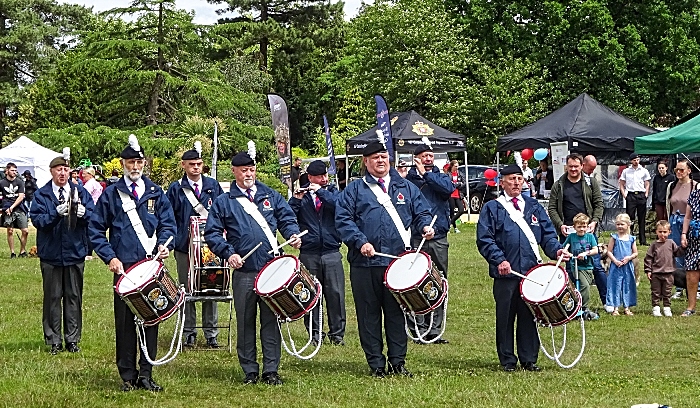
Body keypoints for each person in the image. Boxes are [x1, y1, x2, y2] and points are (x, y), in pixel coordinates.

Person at [336, 140, 434, 378]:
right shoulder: (354, 190)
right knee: (368, 315)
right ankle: (376, 364)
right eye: (374, 157)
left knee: (396, 314)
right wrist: (361, 242)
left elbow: (422, 212)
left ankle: (398, 362)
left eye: (383, 156)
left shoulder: (406, 187)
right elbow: (343, 220)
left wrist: (424, 227)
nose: (380, 161)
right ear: (365, 162)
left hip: (397, 264)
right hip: (365, 264)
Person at [204, 147, 302, 386]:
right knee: (245, 322)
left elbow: (286, 217)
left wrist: (293, 234)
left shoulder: (270, 194)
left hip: (271, 269)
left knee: (271, 320)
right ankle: (249, 370)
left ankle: (271, 369)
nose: (249, 174)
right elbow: (213, 233)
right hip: (245, 271)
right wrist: (229, 254)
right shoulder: (224, 201)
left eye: (252, 169)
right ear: (234, 171)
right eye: (244, 170)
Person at [88, 135, 176, 392]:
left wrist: (165, 245)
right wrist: (110, 256)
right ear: (123, 163)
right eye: (130, 162)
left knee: (151, 318)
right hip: (124, 268)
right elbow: (95, 229)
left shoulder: (155, 192)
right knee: (125, 322)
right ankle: (127, 375)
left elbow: (168, 224)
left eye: (139, 162)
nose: (135, 166)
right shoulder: (112, 194)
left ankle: (146, 374)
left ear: (144, 163)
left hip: (151, 266)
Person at [477, 164, 567, 372]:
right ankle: (507, 359)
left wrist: (556, 251)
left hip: (530, 273)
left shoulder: (533, 205)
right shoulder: (493, 208)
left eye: (519, 178)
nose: (516, 182)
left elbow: (547, 235)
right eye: (511, 179)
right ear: (502, 182)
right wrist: (499, 259)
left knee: (529, 316)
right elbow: (485, 238)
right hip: (506, 274)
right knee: (506, 317)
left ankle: (529, 359)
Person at [31, 152, 94, 355]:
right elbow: (38, 221)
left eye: (66, 169)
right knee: (52, 297)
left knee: (74, 296)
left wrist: (85, 214)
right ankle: (53, 340)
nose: (63, 173)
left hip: (74, 251)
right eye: (59, 169)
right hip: (51, 253)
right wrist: (54, 214)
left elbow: (94, 216)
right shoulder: (42, 194)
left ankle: (73, 339)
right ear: (52, 171)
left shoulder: (80, 191)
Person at [166, 143, 225, 349]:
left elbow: (220, 212)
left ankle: (211, 333)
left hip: (210, 246)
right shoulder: (176, 188)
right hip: (184, 246)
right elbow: (169, 217)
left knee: (212, 287)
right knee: (186, 288)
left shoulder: (212, 185)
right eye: (192, 164)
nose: (196, 168)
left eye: (199, 164)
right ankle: (188, 332)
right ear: (184, 165)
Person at [289, 160, 346, 346]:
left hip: (331, 250)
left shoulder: (332, 192)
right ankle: (315, 334)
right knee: (311, 294)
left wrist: (320, 191)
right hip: (309, 251)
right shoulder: (302, 195)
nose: (323, 179)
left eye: (325, 176)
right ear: (310, 177)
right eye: (319, 177)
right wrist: (296, 200)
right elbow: (288, 216)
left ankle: (337, 334)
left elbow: (339, 206)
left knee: (336, 293)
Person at [406, 144, 455, 344]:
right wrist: (417, 175)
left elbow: (447, 190)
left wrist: (426, 175)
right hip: (416, 237)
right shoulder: (407, 180)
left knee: (438, 281)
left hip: (438, 238)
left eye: (430, 155)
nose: (428, 159)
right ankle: (418, 328)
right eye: (424, 156)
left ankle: (435, 330)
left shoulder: (441, 176)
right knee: (415, 283)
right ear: (415, 158)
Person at [666, 159, 699, 298]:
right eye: (676, 170)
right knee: (676, 252)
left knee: (693, 255)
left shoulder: (696, 186)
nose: (679, 172)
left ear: (689, 171)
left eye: (682, 170)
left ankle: (695, 287)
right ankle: (679, 287)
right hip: (674, 221)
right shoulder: (671, 186)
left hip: (691, 223)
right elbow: (669, 205)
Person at [579, 154, 609, 306]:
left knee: (597, 265)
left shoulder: (591, 181)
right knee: (573, 267)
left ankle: (607, 301)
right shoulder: (562, 183)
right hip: (572, 231)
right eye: (590, 169)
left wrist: (595, 221)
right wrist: (560, 224)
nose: (591, 172)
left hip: (590, 229)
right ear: (582, 164)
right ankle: (577, 303)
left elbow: (599, 203)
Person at [562, 213, 599, 320]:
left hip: (588, 266)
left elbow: (595, 250)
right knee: (584, 286)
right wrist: (569, 254)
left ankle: (579, 306)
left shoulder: (590, 236)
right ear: (574, 227)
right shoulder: (571, 237)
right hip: (576, 266)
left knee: (585, 286)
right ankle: (582, 307)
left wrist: (586, 253)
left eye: (584, 226)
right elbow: (564, 248)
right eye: (579, 227)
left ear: (587, 227)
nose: (582, 229)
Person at [644, 220, 683, 317]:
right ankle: (656, 307)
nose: (662, 234)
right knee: (656, 291)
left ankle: (667, 307)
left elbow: (677, 253)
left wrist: (683, 247)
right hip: (656, 273)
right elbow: (648, 258)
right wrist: (648, 270)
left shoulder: (671, 243)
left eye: (665, 232)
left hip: (669, 273)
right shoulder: (654, 245)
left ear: (669, 232)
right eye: (660, 232)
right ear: (656, 232)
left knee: (667, 291)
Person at [606, 213, 638, 316]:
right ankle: (615, 307)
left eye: (622, 224)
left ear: (628, 225)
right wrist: (615, 260)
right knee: (615, 285)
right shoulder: (614, 237)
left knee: (627, 285)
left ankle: (627, 307)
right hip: (616, 266)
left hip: (627, 266)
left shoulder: (631, 238)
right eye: (618, 224)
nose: (620, 226)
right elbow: (609, 251)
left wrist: (629, 258)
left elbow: (635, 253)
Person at [619, 153, 651, 245]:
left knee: (642, 218)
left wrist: (646, 193)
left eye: (637, 160)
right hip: (631, 195)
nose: (636, 162)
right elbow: (621, 183)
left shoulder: (644, 170)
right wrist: (624, 195)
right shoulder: (626, 171)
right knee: (630, 218)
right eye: (634, 160)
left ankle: (642, 240)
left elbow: (647, 182)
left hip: (641, 195)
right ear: (631, 161)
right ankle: (629, 237)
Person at [1, 162, 29, 258]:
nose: (15, 172)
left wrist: (12, 207)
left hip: (19, 208)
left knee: (25, 231)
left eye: (16, 171)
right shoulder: (2, 183)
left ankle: (22, 251)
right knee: (10, 230)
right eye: (12, 170)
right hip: (7, 208)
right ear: (7, 170)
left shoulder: (19, 182)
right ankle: (12, 252)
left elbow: (21, 197)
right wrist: (3, 208)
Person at [680, 184, 700, 317]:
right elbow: (687, 217)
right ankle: (691, 307)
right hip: (695, 238)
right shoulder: (694, 194)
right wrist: (683, 234)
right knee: (692, 272)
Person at [447, 160, 465, 234]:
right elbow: (448, 184)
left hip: (458, 194)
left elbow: (463, 183)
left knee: (461, 210)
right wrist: (456, 184)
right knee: (452, 212)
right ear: (452, 166)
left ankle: (449, 223)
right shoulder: (448, 174)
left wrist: (456, 184)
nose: (457, 168)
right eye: (455, 166)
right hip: (450, 195)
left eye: (458, 166)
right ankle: (455, 228)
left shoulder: (460, 174)